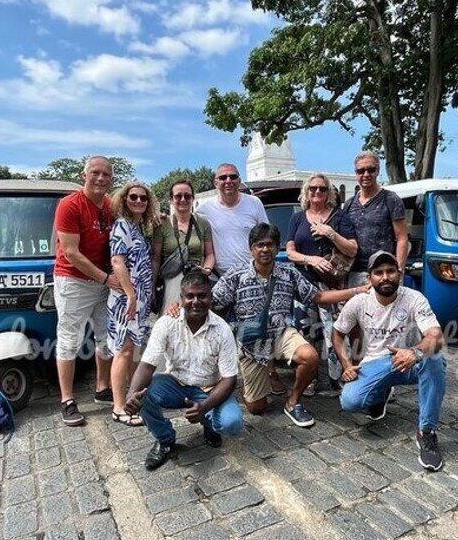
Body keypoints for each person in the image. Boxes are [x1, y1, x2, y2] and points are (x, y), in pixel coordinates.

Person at [211, 223, 365, 427]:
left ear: (277, 247)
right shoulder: (235, 276)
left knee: (310, 356)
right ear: (251, 249)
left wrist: (357, 291)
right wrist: (180, 306)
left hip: (281, 334)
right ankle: (260, 379)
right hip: (251, 344)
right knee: (257, 408)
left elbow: (317, 296)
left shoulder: (289, 273)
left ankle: (293, 402)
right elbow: (211, 303)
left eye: (269, 244)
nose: (265, 249)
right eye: (259, 245)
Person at [333, 250, 447, 471]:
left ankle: (427, 432)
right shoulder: (358, 303)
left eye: (390, 271)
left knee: (433, 358)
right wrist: (346, 364)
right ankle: (380, 393)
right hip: (376, 363)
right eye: (379, 272)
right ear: (370, 277)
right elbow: (337, 333)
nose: (385, 277)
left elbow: (436, 336)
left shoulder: (414, 298)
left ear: (399, 273)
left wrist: (414, 352)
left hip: (409, 361)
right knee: (350, 402)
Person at [124, 271, 243, 470]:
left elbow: (229, 379)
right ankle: (165, 439)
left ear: (210, 298)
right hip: (175, 384)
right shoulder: (166, 323)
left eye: (202, 296)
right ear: (181, 298)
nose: (196, 301)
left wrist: (204, 407)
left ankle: (209, 422)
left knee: (232, 422)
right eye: (190, 296)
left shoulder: (222, 330)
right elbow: (147, 364)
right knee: (141, 393)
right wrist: (130, 394)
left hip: (209, 390)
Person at [53, 156, 122, 427]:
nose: (101, 178)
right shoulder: (70, 205)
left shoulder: (109, 206)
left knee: (106, 338)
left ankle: (102, 388)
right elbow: (71, 252)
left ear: (112, 179)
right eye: (96, 173)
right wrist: (107, 278)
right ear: (85, 175)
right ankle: (67, 400)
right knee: (69, 339)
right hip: (74, 281)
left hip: (103, 282)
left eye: (106, 174)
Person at [286, 173, 358, 395]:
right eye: (313, 189)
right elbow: (290, 251)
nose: (317, 193)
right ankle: (310, 378)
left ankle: (339, 378)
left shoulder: (339, 218)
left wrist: (331, 233)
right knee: (306, 332)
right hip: (303, 285)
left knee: (335, 332)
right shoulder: (297, 219)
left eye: (322, 189)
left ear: (329, 193)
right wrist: (311, 259)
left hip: (331, 285)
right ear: (306, 192)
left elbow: (353, 249)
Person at [107, 182, 160, 426]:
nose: (138, 201)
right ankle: (118, 407)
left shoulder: (138, 228)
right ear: (124, 200)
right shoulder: (122, 226)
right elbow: (117, 262)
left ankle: (131, 399)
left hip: (139, 301)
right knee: (124, 351)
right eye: (133, 197)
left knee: (133, 351)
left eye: (143, 198)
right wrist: (130, 294)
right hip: (126, 300)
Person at [345, 151, 409, 287]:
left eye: (371, 169)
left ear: (378, 171)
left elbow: (402, 238)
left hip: (383, 272)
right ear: (356, 173)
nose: (366, 174)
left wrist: (399, 271)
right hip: (354, 273)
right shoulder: (349, 204)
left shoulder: (391, 199)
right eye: (361, 171)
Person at [152, 179, 216, 314]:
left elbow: (210, 254)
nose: (183, 199)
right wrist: (152, 286)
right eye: (178, 196)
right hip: (171, 282)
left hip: (197, 280)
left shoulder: (203, 223)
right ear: (171, 199)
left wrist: (207, 270)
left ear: (193, 198)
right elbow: (156, 258)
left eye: (187, 196)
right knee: (172, 320)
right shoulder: (162, 224)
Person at [197, 163, 268, 276]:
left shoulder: (254, 203)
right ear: (216, 183)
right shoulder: (204, 209)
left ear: (239, 181)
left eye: (233, 176)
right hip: (219, 277)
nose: (228, 180)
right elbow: (185, 223)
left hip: (251, 274)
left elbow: (266, 236)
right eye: (223, 177)